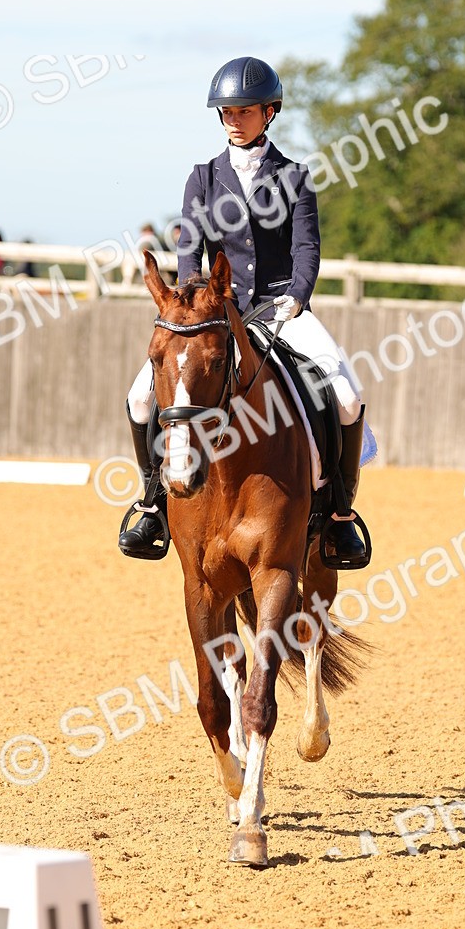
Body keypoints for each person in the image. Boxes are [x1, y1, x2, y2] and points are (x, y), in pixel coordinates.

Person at [120, 56, 367, 565]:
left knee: (345, 393)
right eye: (226, 111)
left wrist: (297, 294)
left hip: (280, 306)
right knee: (142, 397)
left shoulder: (295, 177)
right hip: (217, 311)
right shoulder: (203, 178)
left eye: (244, 110)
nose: (233, 118)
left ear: (270, 112)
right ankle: (152, 503)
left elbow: (307, 249)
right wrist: (197, 297)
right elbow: (190, 249)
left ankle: (340, 515)